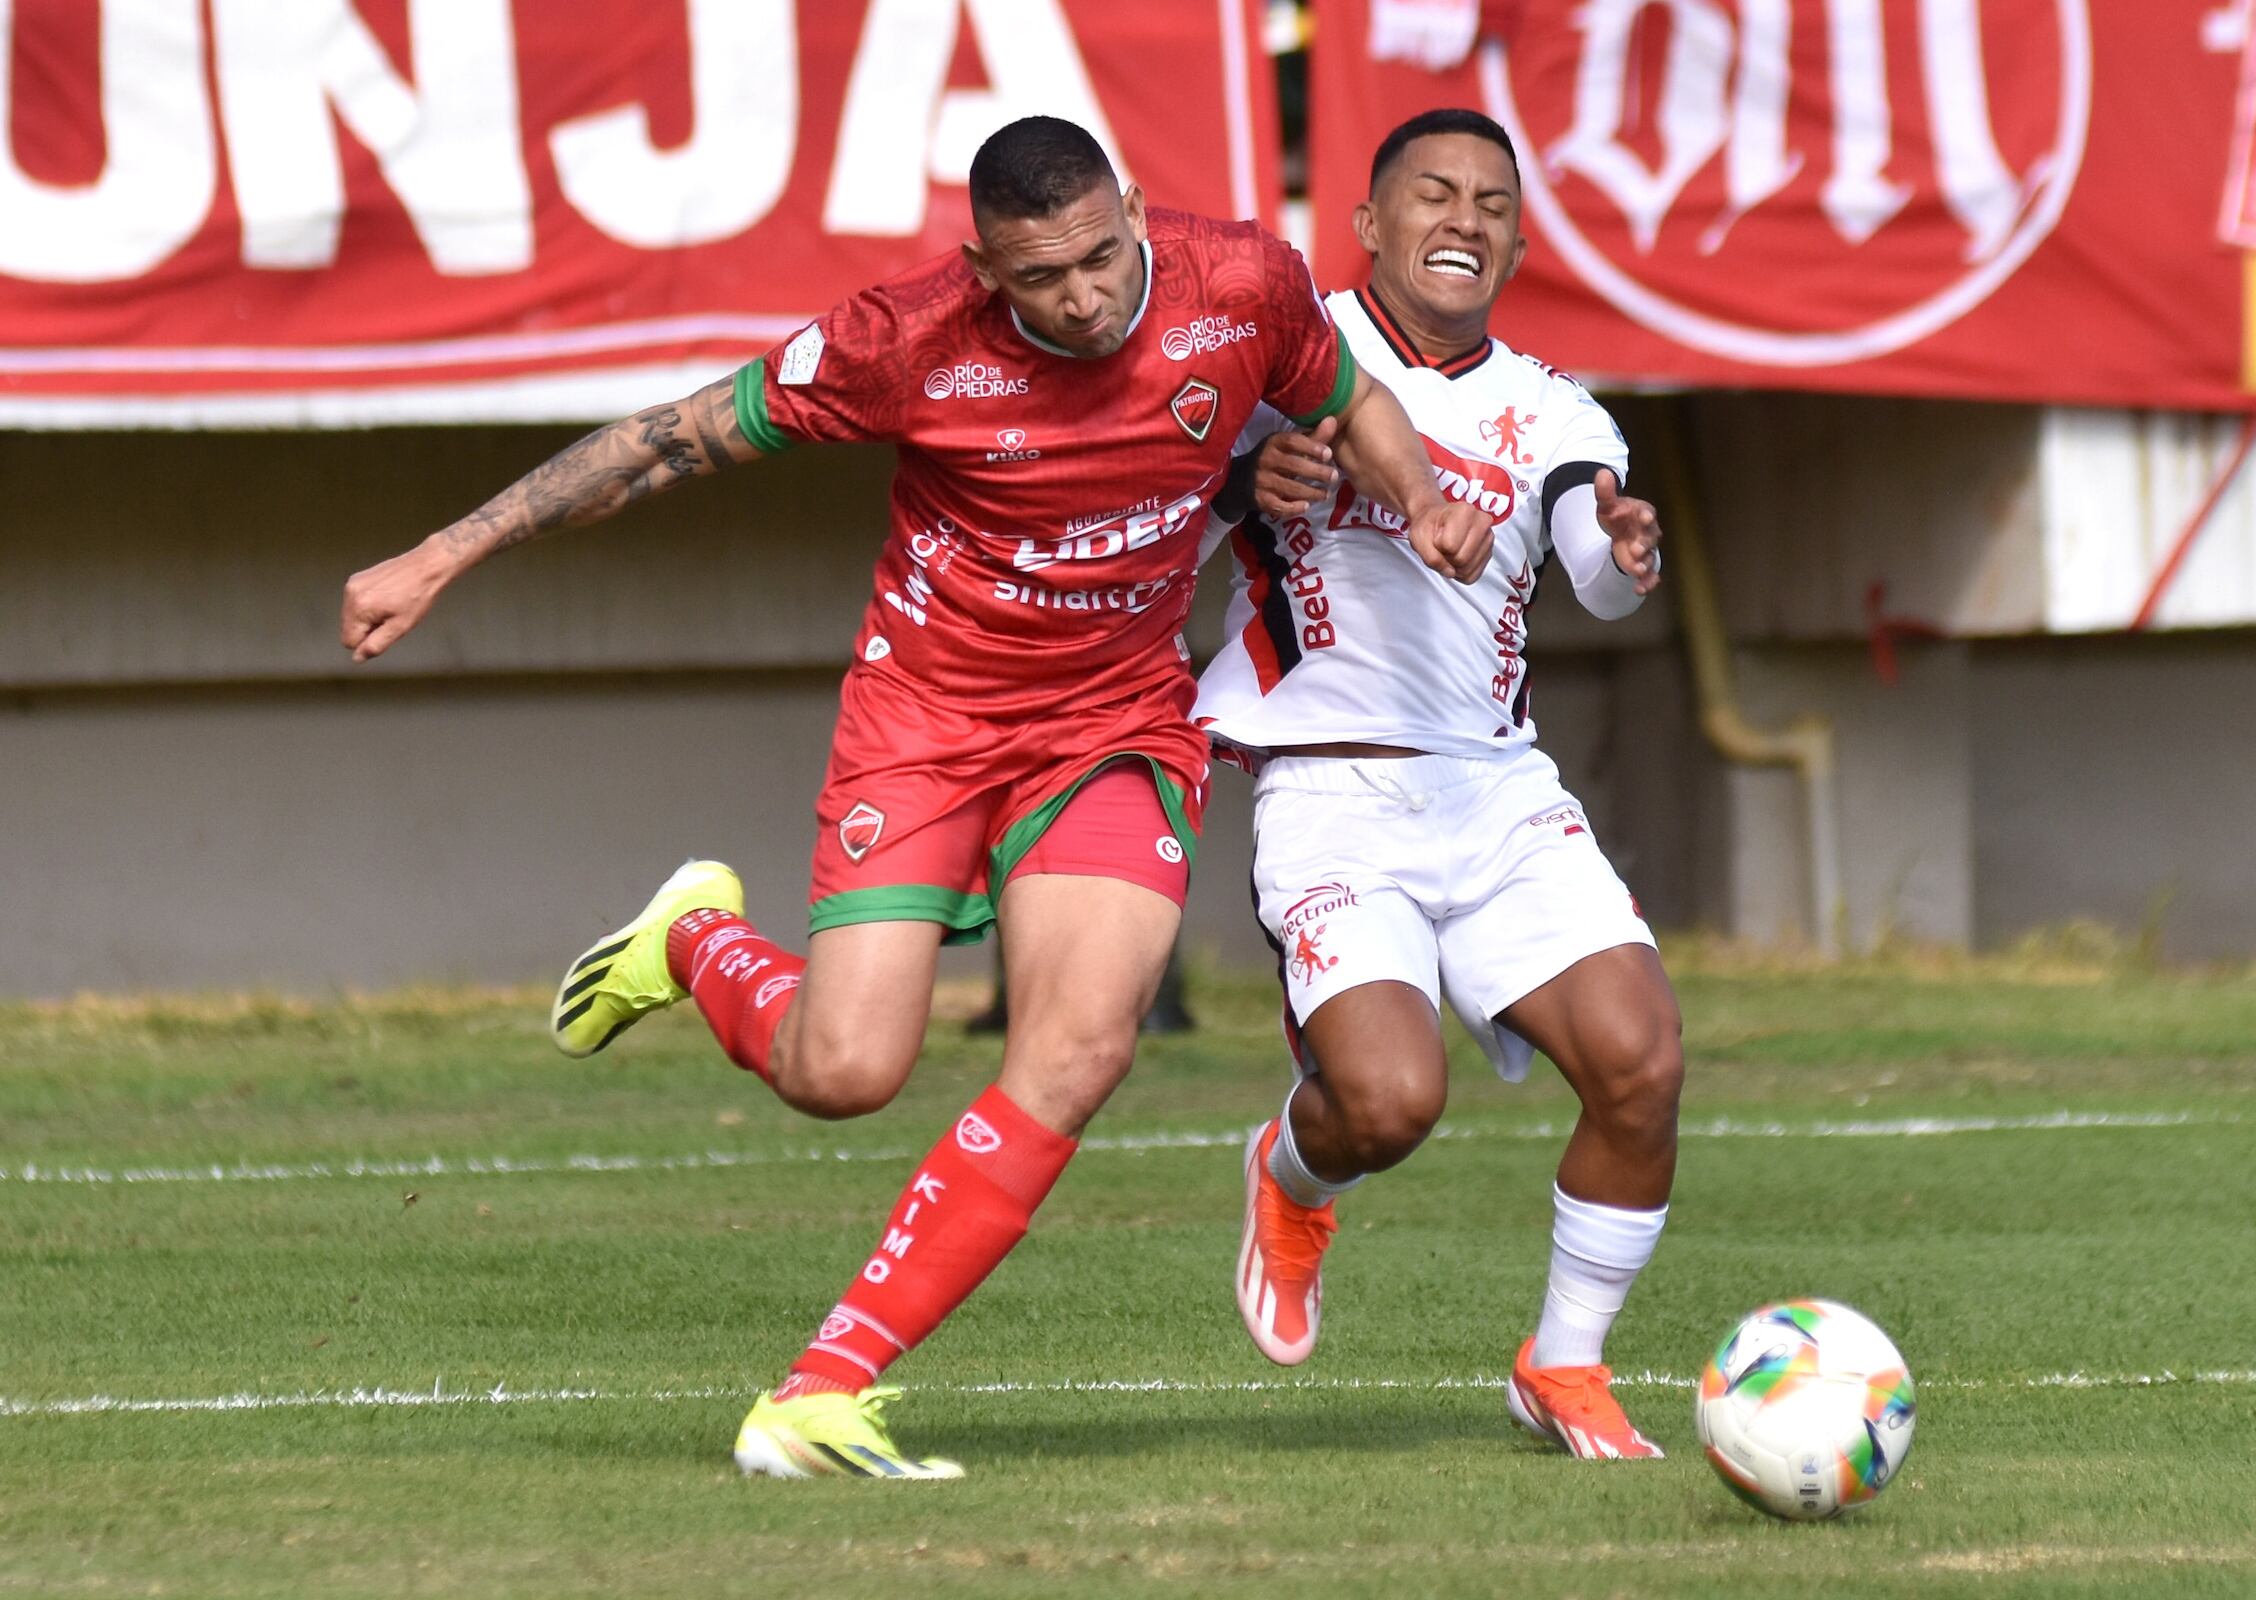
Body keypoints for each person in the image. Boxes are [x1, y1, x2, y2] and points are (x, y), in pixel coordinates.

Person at [338, 116, 1492, 1480]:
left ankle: (823, 1391)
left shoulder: (1240, 282)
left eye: (1100, 259)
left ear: (1134, 205)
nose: (1079, 297)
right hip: (927, 725)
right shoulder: (908, 338)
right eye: (1038, 277)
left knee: (1077, 1050)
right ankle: (693, 941)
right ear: (981, 264)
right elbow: (667, 441)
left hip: (1111, 723)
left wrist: (1418, 491)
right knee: (843, 1073)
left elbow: (1345, 391)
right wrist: (446, 551)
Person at [1194, 109, 1682, 1460]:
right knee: (1389, 1106)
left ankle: (1564, 1367)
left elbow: (1589, 548)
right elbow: (1165, 505)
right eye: (1433, 194)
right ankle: (1290, 1178)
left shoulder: (1555, 412)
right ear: (1366, 225)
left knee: (1641, 1066)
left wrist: (1624, 541)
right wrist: (1251, 479)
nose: (1464, 219)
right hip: (1333, 795)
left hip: (1497, 795)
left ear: (1519, 243)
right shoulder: (1293, 357)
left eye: (1491, 204)